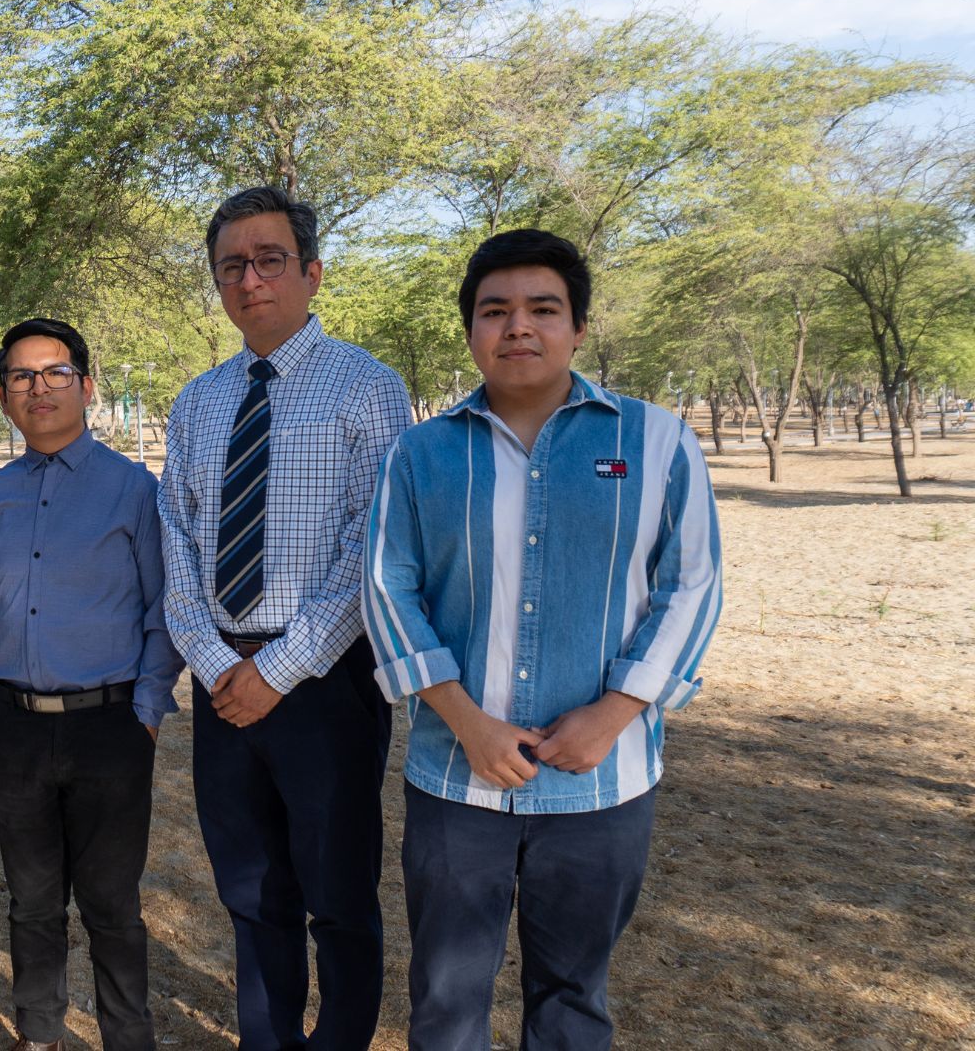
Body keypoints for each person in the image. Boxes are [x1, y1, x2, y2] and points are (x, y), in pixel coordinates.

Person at [364, 229, 722, 1049]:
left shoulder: (657, 442)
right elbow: (388, 589)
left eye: (542, 308)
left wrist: (612, 715)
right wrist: (468, 723)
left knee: (572, 998)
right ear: (471, 329)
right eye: (495, 310)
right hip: (458, 780)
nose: (518, 326)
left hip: (603, 781)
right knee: (447, 995)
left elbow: (692, 586)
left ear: (578, 328)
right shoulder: (420, 454)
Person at [158, 186, 412, 1050]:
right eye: (232, 266)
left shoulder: (368, 387)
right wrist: (212, 659)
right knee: (252, 895)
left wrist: (279, 668)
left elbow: (372, 546)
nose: (250, 281)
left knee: (338, 896)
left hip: (326, 682)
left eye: (270, 261)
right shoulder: (197, 401)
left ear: (312, 272)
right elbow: (177, 538)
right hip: (223, 684)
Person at [0, 319, 183, 1051]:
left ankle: (128, 1038)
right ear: (3, 396)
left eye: (55, 372)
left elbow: (163, 609)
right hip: (13, 727)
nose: (38, 388)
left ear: (86, 385)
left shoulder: (135, 491)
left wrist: (146, 712)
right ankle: (39, 1033)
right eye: (21, 376)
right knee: (31, 902)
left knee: (112, 906)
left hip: (111, 726)